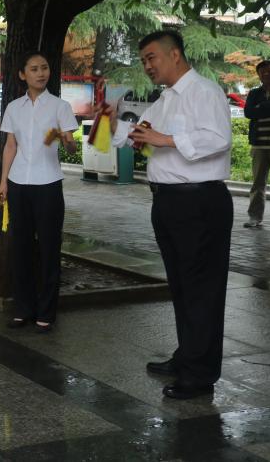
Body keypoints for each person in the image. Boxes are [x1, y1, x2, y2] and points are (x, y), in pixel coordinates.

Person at [107, 29, 233, 400]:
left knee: (201, 289)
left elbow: (219, 138)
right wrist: (113, 124)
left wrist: (166, 140)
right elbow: (142, 136)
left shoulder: (204, 92)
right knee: (181, 286)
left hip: (200, 203)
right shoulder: (164, 100)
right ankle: (187, 355)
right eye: (143, 60)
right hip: (168, 202)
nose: (147, 66)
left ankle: (199, 375)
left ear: (174, 54)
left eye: (151, 58)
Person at [0, 51, 78, 333]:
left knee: (49, 249)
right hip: (18, 183)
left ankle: (46, 312)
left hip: (48, 184)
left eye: (44, 68)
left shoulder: (60, 107)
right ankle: (23, 309)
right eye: (34, 69)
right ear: (22, 74)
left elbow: (71, 148)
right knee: (20, 248)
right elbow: (10, 146)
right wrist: (3, 182)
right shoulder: (13, 108)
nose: (41, 73)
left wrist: (67, 140)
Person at [243, 59, 270, 228]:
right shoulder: (254, 93)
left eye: (269, 71)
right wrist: (267, 106)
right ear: (259, 76)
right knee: (257, 184)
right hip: (259, 145)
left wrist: (260, 108)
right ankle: (254, 217)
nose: (267, 74)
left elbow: (255, 111)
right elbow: (248, 112)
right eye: (263, 72)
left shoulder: (257, 99)